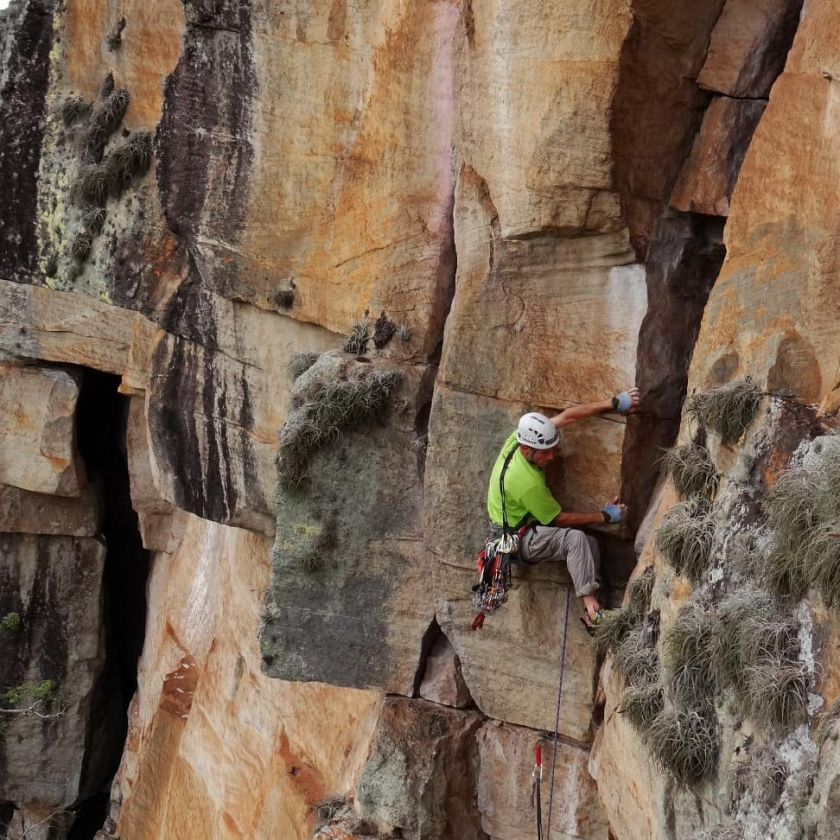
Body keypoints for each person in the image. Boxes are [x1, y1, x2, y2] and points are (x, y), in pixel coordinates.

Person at [486, 388, 640, 630]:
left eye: (552, 448)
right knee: (575, 539)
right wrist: (603, 516)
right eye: (545, 452)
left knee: (590, 544)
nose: (552, 456)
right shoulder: (527, 483)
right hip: (518, 540)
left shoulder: (519, 438)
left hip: (521, 524)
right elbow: (558, 519)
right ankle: (594, 612)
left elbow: (568, 417)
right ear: (527, 450)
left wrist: (611, 403)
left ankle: (592, 613)